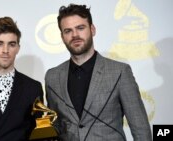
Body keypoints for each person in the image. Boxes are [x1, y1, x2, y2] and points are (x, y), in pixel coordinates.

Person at [45, 4, 152, 141]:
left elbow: (141, 129)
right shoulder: (52, 76)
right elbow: (55, 126)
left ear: (92, 29)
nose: (75, 35)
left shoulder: (119, 72)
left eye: (80, 28)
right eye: (68, 31)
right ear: (62, 36)